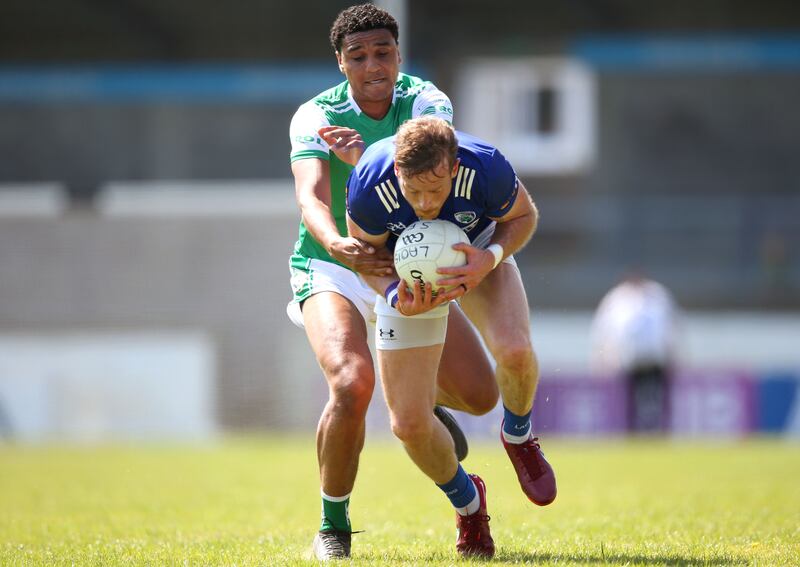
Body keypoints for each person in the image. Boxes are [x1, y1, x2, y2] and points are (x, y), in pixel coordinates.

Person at [286, 4, 499, 560]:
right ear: (341, 63)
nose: (373, 65)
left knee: (481, 396)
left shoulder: (427, 102)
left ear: (399, 55)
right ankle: (334, 525)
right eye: (358, 56)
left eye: (383, 52)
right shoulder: (313, 115)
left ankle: (421, 402)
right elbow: (310, 196)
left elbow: (416, 163)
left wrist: (363, 157)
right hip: (333, 263)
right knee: (352, 383)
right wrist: (336, 243)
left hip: (408, 262)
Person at [346, 116, 557, 558]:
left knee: (516, 351)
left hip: (476, 255)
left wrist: (491, 256)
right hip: (407, 282)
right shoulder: (370, 180)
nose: (424, 203)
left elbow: (524, 216)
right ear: (397, 173)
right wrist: (393, 295)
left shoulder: (485, 166)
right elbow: (365, 256)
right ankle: (469, 505)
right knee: (407, 424)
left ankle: (518, 436)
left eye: (436, 191)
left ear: (455, 165)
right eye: (413, 191)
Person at [590, 272, 681, 432]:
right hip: (629, 358)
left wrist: (673, 354)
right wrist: (602, 356)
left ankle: (657, 429)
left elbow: (671, 326)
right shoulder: (617, 298)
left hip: (654, 357)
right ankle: (632, 430)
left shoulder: (657, 295)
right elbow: (603, 330)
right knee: (630, 398)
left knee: (656, 397)